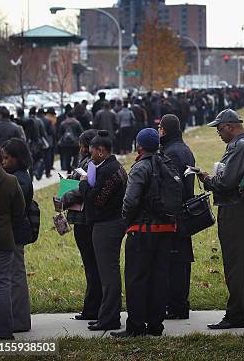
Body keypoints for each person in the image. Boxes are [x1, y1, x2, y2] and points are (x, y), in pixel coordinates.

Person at [111, 128, 177, 338]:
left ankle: (136, 326)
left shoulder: (141, 167)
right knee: (159, 277)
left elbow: (130, 201)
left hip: (142, 231)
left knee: (136, 279)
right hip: (166, 230)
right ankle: (156, 325)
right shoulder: (167, 163)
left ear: (139, 146)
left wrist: (126, 221)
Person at [196, 109, 244, 329]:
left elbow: (226, 182)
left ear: (230, 126)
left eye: (219, 129)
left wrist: (207, 179)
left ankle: (235, 315)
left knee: (234, 263)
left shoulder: (238, 146)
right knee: (243, 261)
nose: (218, 134)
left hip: (234, 209)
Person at [79, 130, 128, 331]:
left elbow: (98, 199)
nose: (90, 156)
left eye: (91, 153)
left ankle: (109, 318)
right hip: (109, 223)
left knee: (108, 274)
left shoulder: (109, 170)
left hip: (107, 225)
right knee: (108, 272)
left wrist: (83, 185)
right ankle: (106, 315)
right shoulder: (113, 167)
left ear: (100, 151)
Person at [61, 129, 102, 321]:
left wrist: (64, 192)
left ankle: (92, 308)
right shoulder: (95, 162)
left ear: (86, 146)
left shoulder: (87, 164)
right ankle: (95, 305)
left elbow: (80, 190)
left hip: (83, 220)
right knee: (95, 264)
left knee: (91, 265)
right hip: (91, 219)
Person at [159, 115, 196, 320]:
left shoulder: (171, 152)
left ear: (165, 130)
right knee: (180, 261)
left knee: (174, 262)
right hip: (185, 211)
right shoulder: (184, 149)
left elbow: (173, 186)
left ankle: (176, 305)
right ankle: (179, 303)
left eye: (159, 128)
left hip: (175, 214)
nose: (158, 132)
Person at [0, 141, 25, 339]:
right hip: (3, 239)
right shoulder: (11, 181)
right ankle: (4, 332)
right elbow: (19, 212)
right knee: (1, 284)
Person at [1, 139, 34, 333]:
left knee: (16, 276)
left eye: (7, 158)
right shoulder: (16, 175)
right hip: (13, 231)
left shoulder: (19, 179)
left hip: (15, 232)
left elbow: (14, 208)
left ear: (17, 158)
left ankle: (20, 320)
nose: (3, 161)